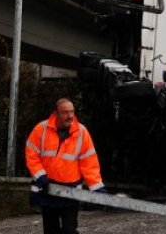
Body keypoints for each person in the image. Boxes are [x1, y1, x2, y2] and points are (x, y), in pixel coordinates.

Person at [26, 98, 107, 234]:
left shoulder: (81, 132)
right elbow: (31, 155)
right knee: (51, 231)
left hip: (70, 193)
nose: (70, 116)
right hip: (48, 190)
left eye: (72, 112)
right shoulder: (41, 129)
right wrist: (41, 177)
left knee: (69, 231)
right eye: (65, 112)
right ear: (55, 114)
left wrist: (98, 188)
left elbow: (89, 164)